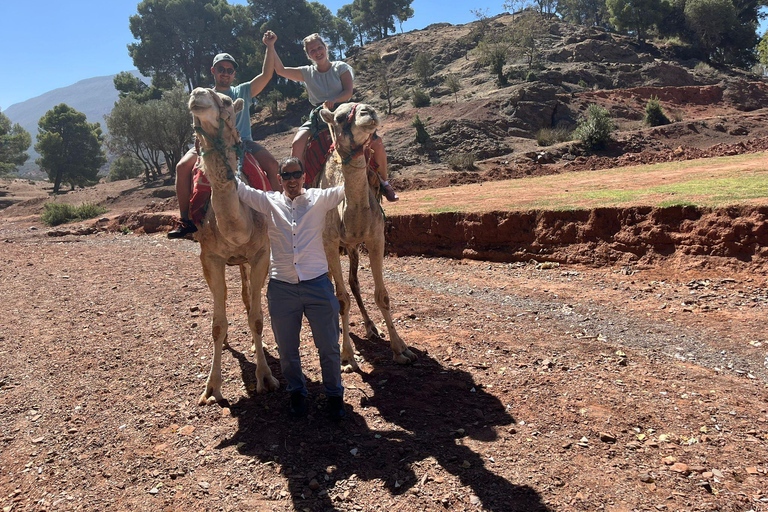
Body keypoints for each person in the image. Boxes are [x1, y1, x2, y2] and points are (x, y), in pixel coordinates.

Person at [236, 157, 347, 420]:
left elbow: (350, 186)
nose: (292, 180)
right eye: (287, 176)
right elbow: (239, 189)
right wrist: (222, 154)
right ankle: (297, 392)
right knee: (287, 350)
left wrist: (361, 154)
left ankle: (334, 395)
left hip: (318, 285)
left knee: (329, 347)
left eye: (296, 174)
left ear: (304, 177)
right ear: (280, 180)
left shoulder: (320, 198)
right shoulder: (270, 201)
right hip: (282, 288)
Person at [168, 32, 281, 238]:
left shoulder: (242, 91)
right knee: (182, 167)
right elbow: (197, 123)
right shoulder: (206, 96)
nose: (226, 73)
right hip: (208, 143)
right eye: (221, 69)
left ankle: (280, 214)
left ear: (234, 74)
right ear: (214, 71)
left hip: (242, 142)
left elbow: (266, 75)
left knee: (272, 165)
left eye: (230, 70)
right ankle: (185, 220)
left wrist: (270, 47)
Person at [268, 32, 399, 202]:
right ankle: (302, 187)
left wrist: (334, 100)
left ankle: (384, 182)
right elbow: (280, 70)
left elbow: (348, 92)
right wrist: (270, 46)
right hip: (319, 115)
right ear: (308, 54)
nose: (317, 52)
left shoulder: (340, 67)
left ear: (326, 47)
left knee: (376, 141)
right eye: (312, 50)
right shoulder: (306, 72)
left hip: (345, 113)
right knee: (297, 142)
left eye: (319, 47)